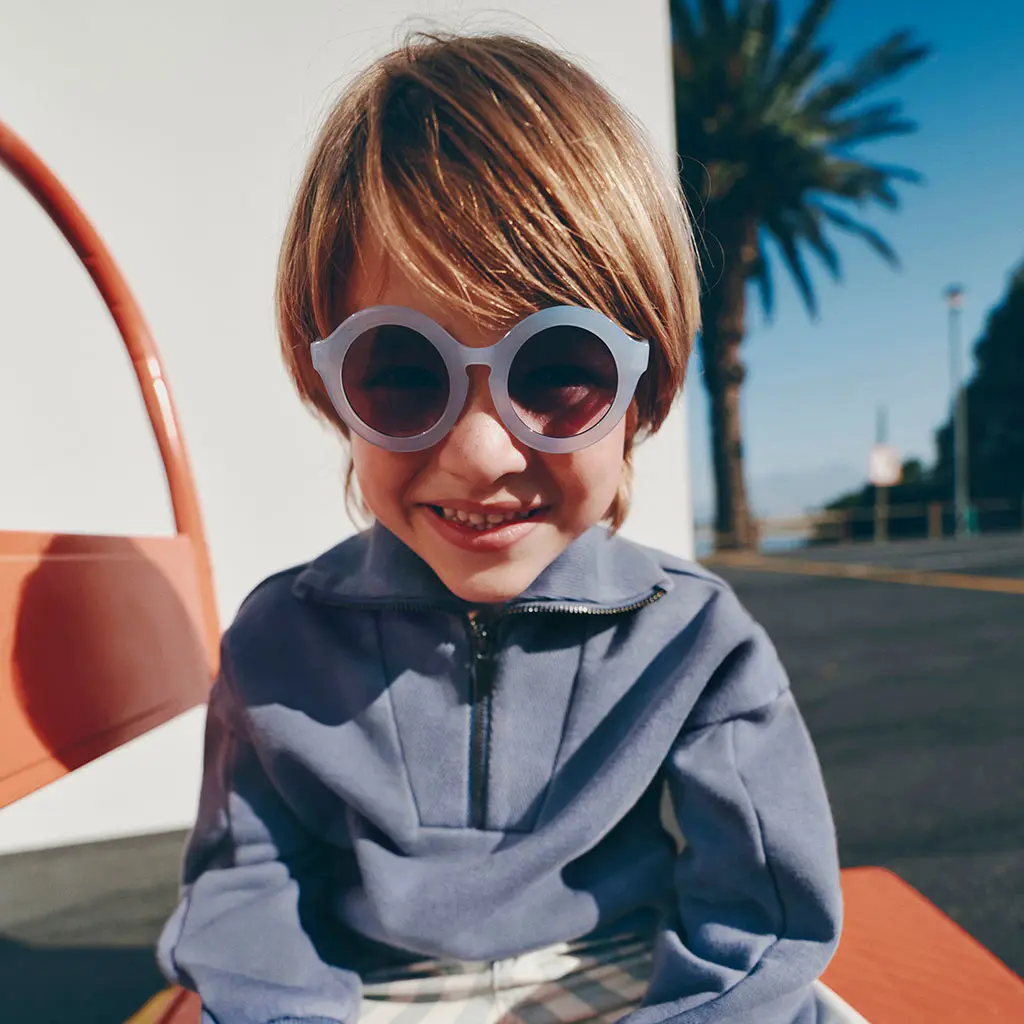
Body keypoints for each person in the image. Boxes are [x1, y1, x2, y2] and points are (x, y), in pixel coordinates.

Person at [157, 30, 843, 1024]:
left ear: (640, 392)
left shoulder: (695, 640)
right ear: (331, 387)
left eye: (558, 368)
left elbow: (758, 913)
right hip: (366, 987)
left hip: (631, 971)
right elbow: (244, 895)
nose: (480, 452)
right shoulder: (279, 642)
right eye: (400, 369)